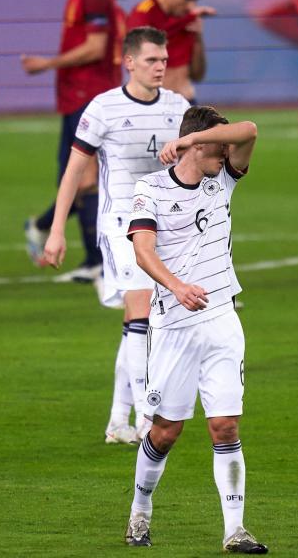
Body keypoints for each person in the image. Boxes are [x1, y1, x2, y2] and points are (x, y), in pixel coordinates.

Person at [123, 107, 267, 553]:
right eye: (217, 146)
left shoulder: (220, 180)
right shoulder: (149, 189)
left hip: (223, 318)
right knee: (165, 431)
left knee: (225, 426)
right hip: (174, 324)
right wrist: (177, 286)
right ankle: (140, 512)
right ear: (198, 144)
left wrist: (190, 141)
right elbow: (143, 251)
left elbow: (251, 130)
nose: (228, 152)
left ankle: (235, 530)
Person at [41, 27, 190, 443]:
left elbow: (200, 161)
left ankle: (117, 421)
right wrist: (56, 231)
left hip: (166, 225)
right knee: (141, 308)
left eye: (163, 60)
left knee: (141, 322)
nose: (160, 67)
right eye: (150, 61)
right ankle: (147, 417)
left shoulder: (178, 107)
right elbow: (73, 172)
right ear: (128, 62)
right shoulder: (103, 109)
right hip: (121, 224)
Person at [22, 0, 121, 283]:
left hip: (88, 97)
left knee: (86, 178)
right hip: (77, 97)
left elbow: (95, 48)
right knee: (80, 178)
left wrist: (48, 64)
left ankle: (98, 261)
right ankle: (93, 259)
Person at [126, 0, 214, 104]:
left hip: (187, 101)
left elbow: (198, 75)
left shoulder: (186, 20)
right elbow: (136, 61)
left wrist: (198, 38)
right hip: (153, 103)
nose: (190, 6)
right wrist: (188, 19)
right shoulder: (144, 12)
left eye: (194, 0)